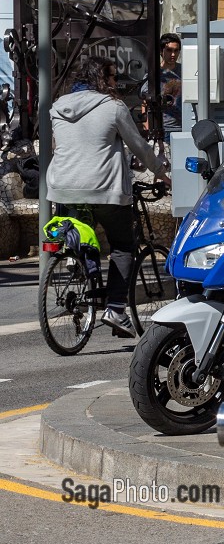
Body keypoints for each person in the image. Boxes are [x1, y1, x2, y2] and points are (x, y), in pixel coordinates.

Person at [47, 57, 170, 338]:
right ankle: (115, 308)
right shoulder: (113, 108)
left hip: (63, 187)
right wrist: (160, 171)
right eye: (113, 77)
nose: (116, 82)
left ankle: (79, 264)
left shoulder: (58, 107)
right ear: (102, 80)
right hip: (104, 189)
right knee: (123, 247)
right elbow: (138, 146)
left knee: (83, 234)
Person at [159, 33, 182, 134]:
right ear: (161, 51)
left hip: (183, 127)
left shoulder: (185, 70)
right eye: (169, 50)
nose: (173, 54)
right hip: (163, 128)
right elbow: (145, 102)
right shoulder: (154, 73)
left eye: (176, 51)